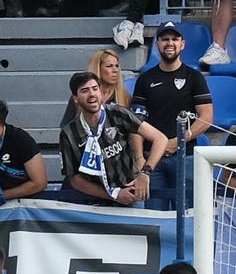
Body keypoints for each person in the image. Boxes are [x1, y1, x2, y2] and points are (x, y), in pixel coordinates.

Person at [130, 21, 212, 209]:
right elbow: (136, 122)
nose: (170, 43)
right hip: (153, 160)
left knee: (188, 214)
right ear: (157, 44)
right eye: (165, 39)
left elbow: (206, 117)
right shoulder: (145, 79)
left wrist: (178, 141)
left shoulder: (194, 77)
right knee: (155, 218)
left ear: (182, 44)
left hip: (186, 156)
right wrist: (141, 159)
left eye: (175, 39)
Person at [58, 71, 166, 206]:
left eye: (95, 89)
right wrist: (114, 195)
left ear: (101, 92)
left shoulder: (117, 114)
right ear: (75, 98)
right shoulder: (68, 133)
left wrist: (145, 173)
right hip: (93, 202)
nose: (91, 94)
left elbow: (160, 139)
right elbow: (74, 179)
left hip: (130, 194)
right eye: (85, 90)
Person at [0, 100, 50, 201]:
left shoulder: (20, 139)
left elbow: (40, 182)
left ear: (2, 122)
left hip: (22, 203)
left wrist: (4, 195)